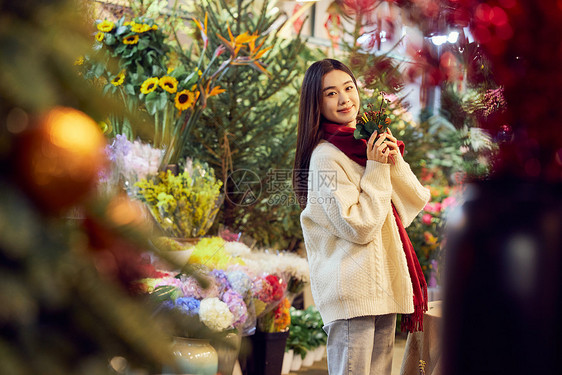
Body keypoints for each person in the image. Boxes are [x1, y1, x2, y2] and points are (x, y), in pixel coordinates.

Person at [293, 58, 430, 375]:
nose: (344, 99)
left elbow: (412, 199)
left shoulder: (361, 145)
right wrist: (378, 169)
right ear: (316, 102)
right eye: (330, 93)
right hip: (352, 291)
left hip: (381, 286)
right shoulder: (325, 157)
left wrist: (389, 158)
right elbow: (359, 226)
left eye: (348, 88)